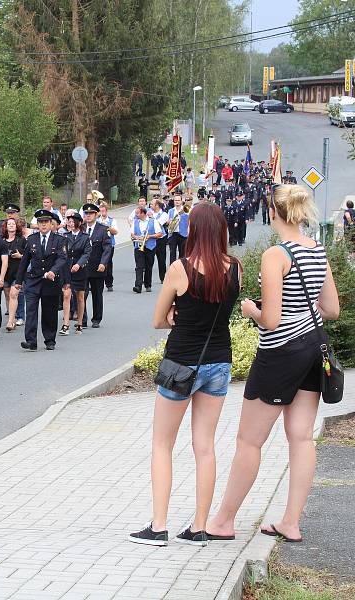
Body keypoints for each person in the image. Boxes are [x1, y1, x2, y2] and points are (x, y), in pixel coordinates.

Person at [207, 185, 340, 545]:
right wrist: (305, 309)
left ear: (273, 213)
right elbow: (331, 310)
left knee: (249, 440)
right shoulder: (318, 250)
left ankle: (223, 521)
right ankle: (291, 523)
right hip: (313, 350)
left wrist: (250, 310)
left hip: (279, 354)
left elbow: (272, 319)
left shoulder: (275, 255)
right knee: (301, 438)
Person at [129, 202, 242, 547]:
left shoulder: (180, 268)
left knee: (162, 444)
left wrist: (177, 317)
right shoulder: (235, 267)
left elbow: (158, 320)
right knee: (204, 447)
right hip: (219, 362)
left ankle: (159, 525)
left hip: (181, 364)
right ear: (222, 230)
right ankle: (198, 527)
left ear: (192, 230)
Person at [16, 209, 67, 351]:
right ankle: (31, 341)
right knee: (31, 311)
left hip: (51, 281)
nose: (43, 225)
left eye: (46, 222)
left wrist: (53, 271)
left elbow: (62, 258)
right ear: (37, 224)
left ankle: (50, 339)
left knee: (49, 312)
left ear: (51, 224)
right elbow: (24, 261)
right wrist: (19, 281)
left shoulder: (59, 240)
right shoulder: (31, 240)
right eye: (40, 222)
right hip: (33, 280)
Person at [80, 203, 113, 328]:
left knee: (97, 294)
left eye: (91, 214)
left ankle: (96, 319)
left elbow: (107, 248)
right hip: (82, 267)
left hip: (97, 266)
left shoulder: (103, 229)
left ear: (96, 215)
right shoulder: (81, 228)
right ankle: (82, 319)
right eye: (86, 214)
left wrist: (103, 263)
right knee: (81, 293)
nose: (88, 216)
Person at [60, 212, 87, 334]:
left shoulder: (85, 237)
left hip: (80, 270)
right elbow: (62, 253)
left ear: (79, 223)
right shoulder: (65, 236)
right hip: (67, 269)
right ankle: (65, 324)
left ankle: (80, 322)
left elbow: (87, 253)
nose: (70, 224)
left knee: (80, 297)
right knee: (66, 295)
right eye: (69, 221)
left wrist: (78, 264)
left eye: (73, 221)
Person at [131, 206, 163, 293]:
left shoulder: (153, 221)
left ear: (143, 213)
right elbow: (132, 233)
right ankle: (138, 286)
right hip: (139, 246)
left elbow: (160, 234)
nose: (136, 215)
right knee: (139, 266)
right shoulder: (135, 221)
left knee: (149, 266)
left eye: (137, 213)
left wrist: (150, 236)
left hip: (150, 246)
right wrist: (136, 237)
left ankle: (148, 284)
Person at [2, 216, 26, 331]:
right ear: (6, 227)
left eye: (13, 224)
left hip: (18, 271)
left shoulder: (22, 240)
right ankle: (12, 316)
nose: (11, 226)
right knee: (7, 295)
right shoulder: (1, 240)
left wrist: (20, 256)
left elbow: (28, 256)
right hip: (5, 272)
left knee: (14, 294)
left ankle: (12, 320)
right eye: (9, 224)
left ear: (17, 226)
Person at [97, 202, 118, 292]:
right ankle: (97, 281)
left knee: (108, 263)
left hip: (109, 244)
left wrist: (108, 227)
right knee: (97, 262)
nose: (103, 213)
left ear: (107, 211)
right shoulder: (97, 220)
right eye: (101, 211)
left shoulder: (112, 220)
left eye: (104, 211)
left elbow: (115, 232)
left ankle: (109, 283)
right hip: (98, 244)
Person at [167, 194, 189, 264]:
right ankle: (172, 268)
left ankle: (182, 268)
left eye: (178, 200)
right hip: (173, 233)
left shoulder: (186, 209)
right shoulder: (171, 211)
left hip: (183, 234)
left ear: (181, 201)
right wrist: (168, 222)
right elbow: (168, 222)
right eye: (175, 200)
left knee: (182, 253)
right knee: (172, 252)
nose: (177, 202)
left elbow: (189, 221)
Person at [151, 199, 169, 282]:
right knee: (149, 259)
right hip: (151, 238)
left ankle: (163, 277)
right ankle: (147, 279)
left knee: (161, 259)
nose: (150, 206)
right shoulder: (149, 212)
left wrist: (151, 217)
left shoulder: (164, 214)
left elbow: (158, 223)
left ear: (157, 205)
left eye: (152, 204)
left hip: (161, 239)